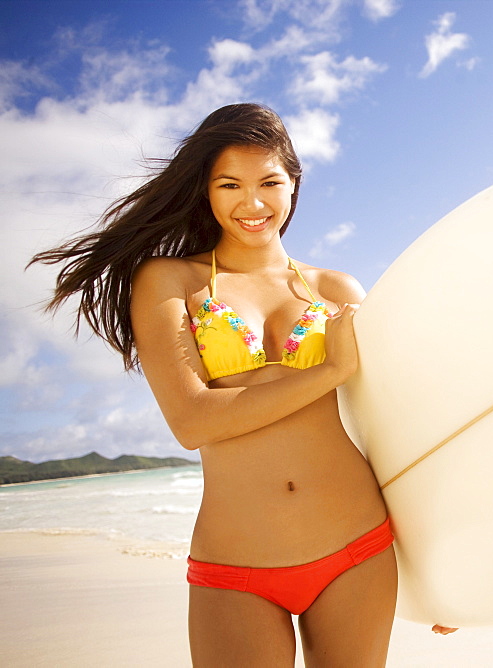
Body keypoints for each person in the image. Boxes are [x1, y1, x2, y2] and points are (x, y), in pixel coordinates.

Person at [31, 103, 455, 667]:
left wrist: (452, 574)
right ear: (205, 191)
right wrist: (328, 371)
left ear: (293, 183)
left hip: (358, 546)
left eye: (269, 182)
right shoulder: (169, 281)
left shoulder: (337, 288)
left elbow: (400, 427)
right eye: (229, 184)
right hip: (236, 569)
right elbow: (194, 419)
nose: (252, 203)